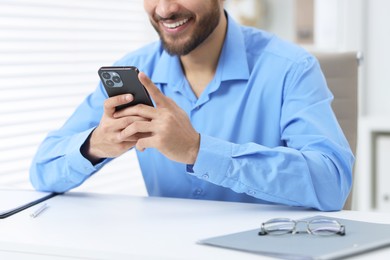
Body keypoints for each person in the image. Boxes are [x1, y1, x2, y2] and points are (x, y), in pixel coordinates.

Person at [30, 0, 354, 211]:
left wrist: (198, 150)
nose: (165, 8)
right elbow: (43, 170)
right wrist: (95, 145)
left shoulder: (291, 68)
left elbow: (332, 182)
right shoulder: (136, 70)